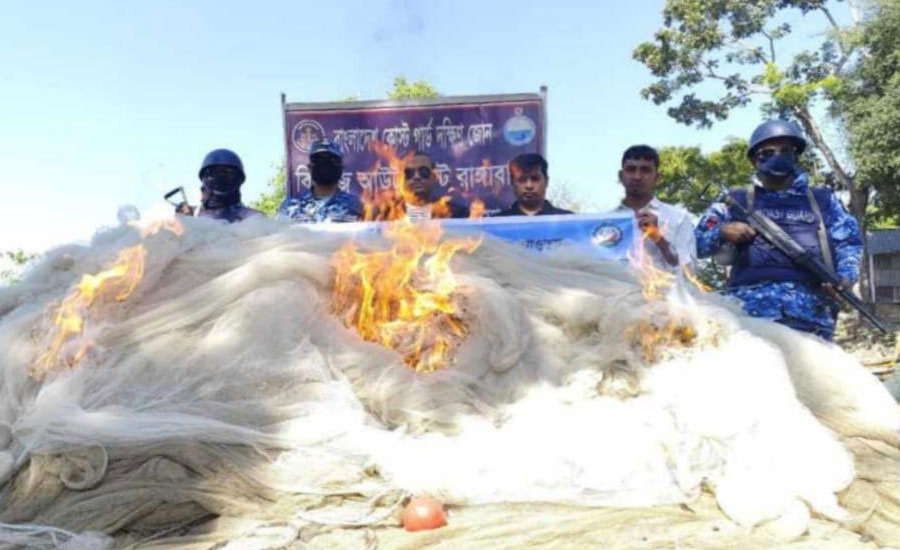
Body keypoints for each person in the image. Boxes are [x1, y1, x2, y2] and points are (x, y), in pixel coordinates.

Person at [694, 120, 862, 340]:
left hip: (812, 316)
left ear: (796, 155)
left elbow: (849, 243)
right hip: (749, 317)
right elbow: (695, 244)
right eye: (768, 152)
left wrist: (845, 277)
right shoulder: (734, 200)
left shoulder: (823, 200)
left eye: (786, 150)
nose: (778, 156)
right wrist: (722, 232)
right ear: (754, 160)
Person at [611, 145, 696, 269]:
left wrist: (659, 238)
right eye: (631, 169)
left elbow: (689, 270)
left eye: (645, 170)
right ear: (621, 176)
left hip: (661, 282)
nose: (637, 176)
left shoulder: (679, 219)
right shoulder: (605, 224)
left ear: (657, 178)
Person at [278, 139, 363, 223]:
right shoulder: (290, 207)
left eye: (332, 160)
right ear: (310, 167)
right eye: (318, 159)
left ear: (341, 168)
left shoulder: (357, 206)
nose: (325, 164)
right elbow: (279, 231)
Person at [492, 153, 574, 217]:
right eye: (522, 180)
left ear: (546, 181)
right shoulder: (496, 223)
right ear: (512, 183)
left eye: (535, 179)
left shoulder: (567, 220)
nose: (529, 186)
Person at [195, 149, 265, 222]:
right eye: (215, 172)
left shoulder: (255, 218)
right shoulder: (192, 216)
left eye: (228, 173)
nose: (221, 178)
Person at [395, 151, 469, 220]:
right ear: (401, 177)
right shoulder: (392, 211)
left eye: (423, 171)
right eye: (410, 172)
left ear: (434, 176)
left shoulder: (456, 212)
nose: (417, 177)